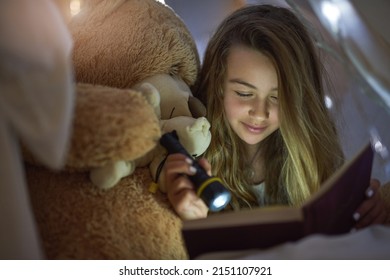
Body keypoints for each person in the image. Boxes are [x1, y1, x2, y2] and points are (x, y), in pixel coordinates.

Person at [162, 4, 387, 228]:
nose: (260, 113)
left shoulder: (313, 154)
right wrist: (189, 219)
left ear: (299, 99)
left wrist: (370, 212)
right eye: (244, 93)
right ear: (218, 85)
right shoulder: (193, 149)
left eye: (278, 97)